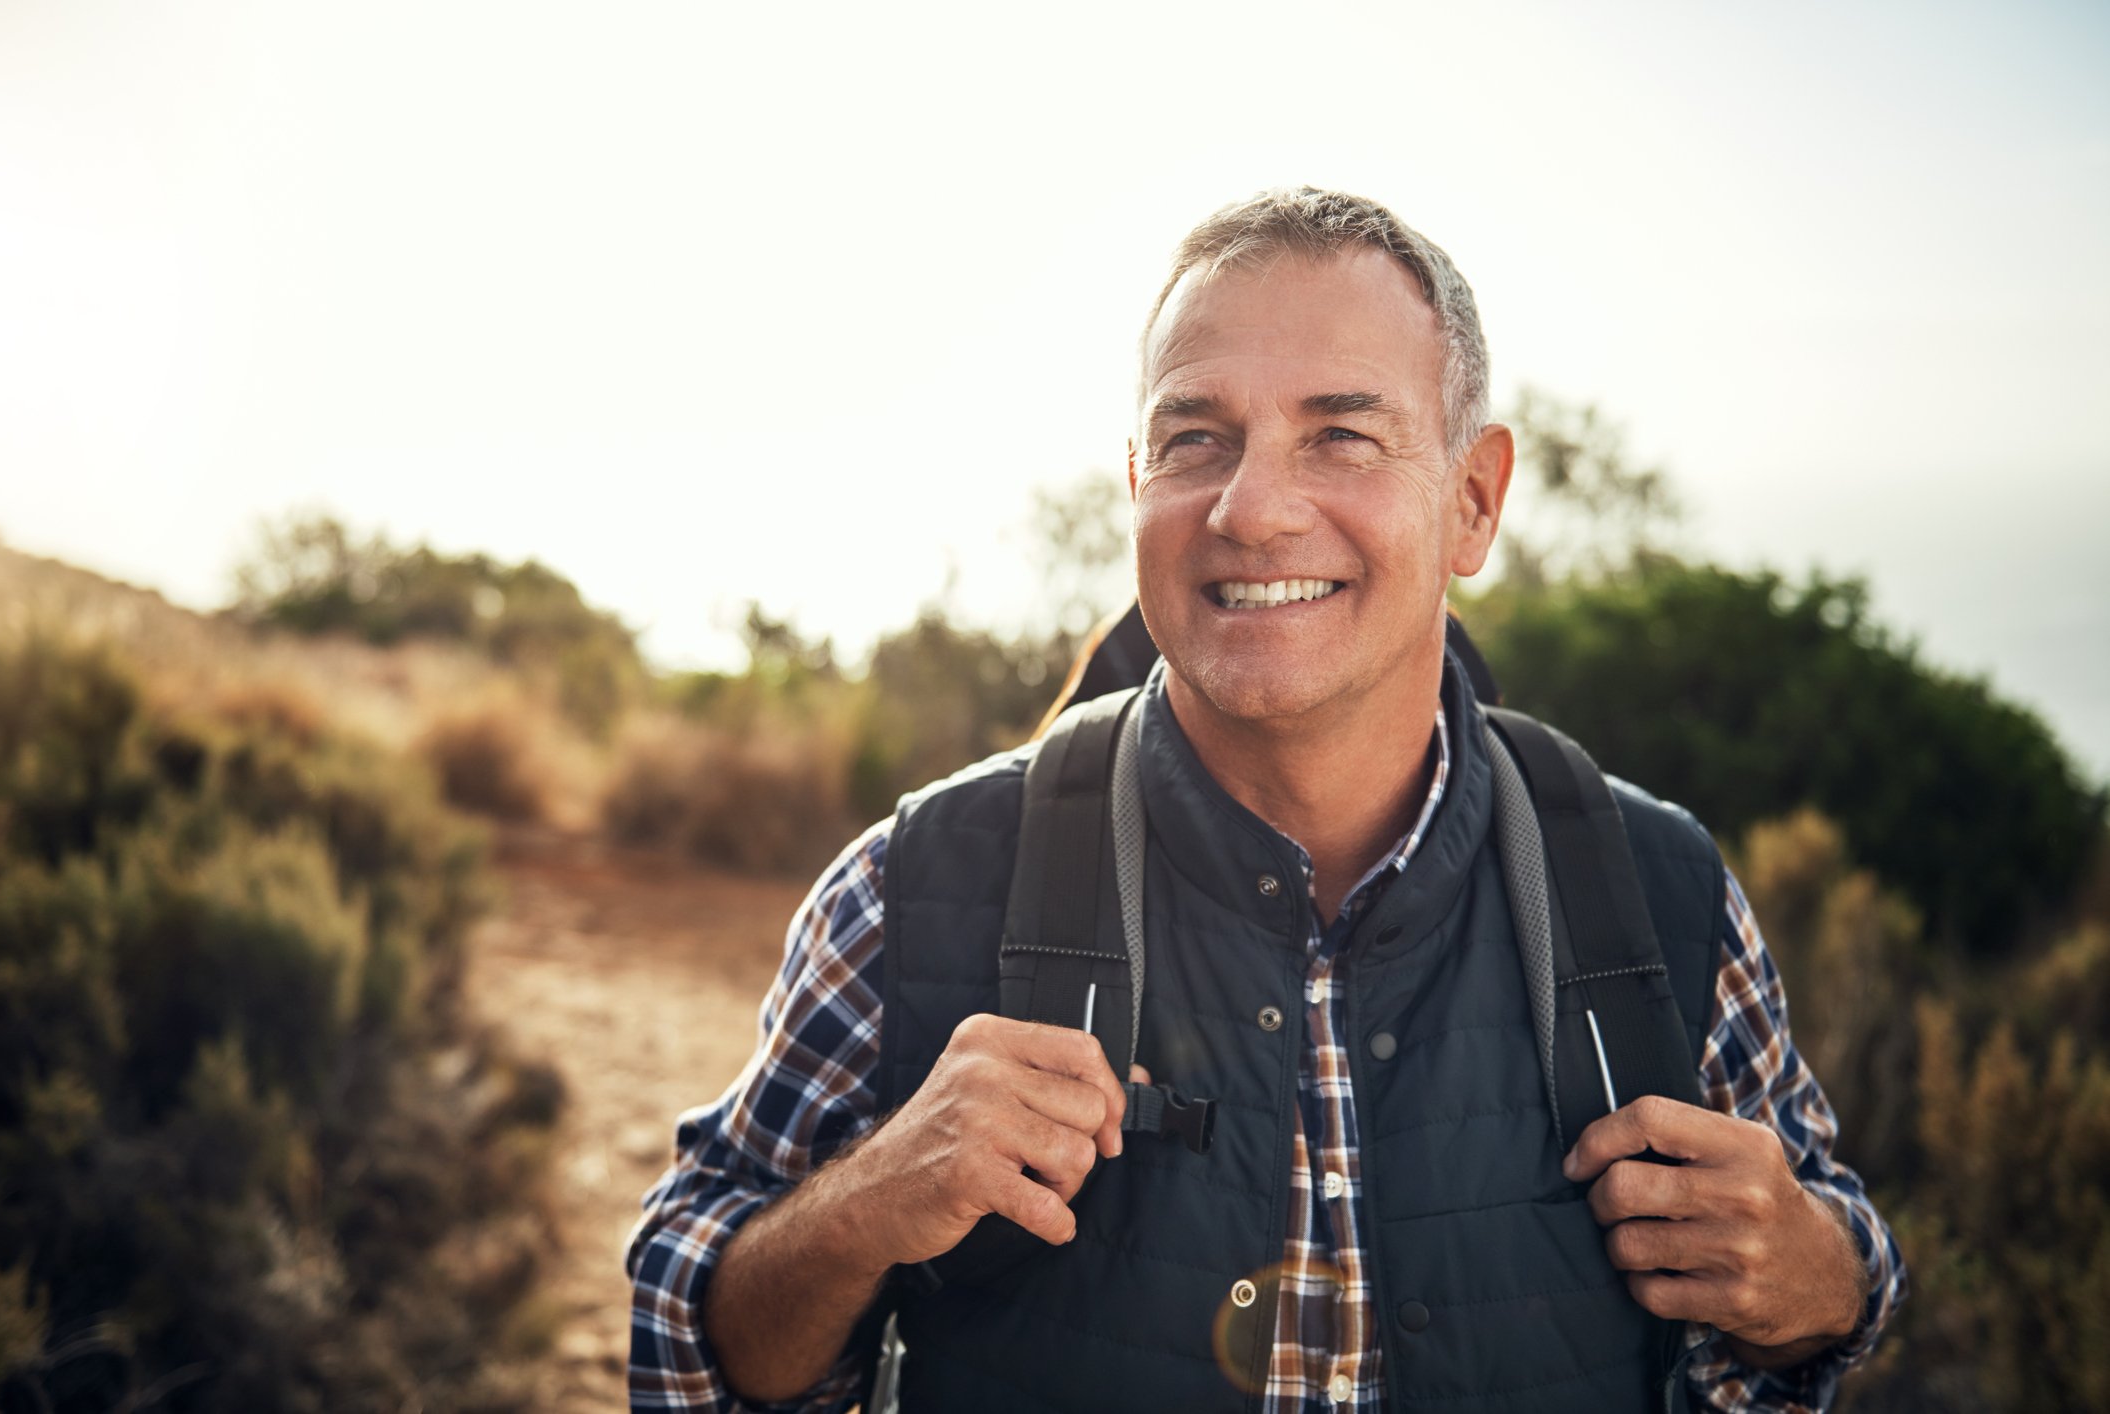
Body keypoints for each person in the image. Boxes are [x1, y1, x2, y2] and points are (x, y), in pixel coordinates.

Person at [626, 187, 1906, 1412]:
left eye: (1339, 434)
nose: (1250, 507)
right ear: (1137, 486)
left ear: (1472, 498)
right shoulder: (908, 886)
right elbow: (696, 1348)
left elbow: (1817, 1286)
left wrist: (1822, 1275)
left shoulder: (1660, 888)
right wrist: (861, 1207)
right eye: (1197, 439)